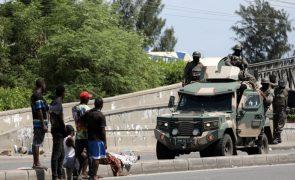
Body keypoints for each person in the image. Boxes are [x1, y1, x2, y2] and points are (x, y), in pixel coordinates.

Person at [82, 97, 107, 180]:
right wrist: (105, 142)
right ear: (102, 105)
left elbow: (82, 120)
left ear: (94, 104)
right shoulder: (101, 115)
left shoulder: (88, 113)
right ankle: (94, 175)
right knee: (97, 158)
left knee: (91, 157)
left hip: (89, 138)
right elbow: (102, 130)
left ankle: (91, 174)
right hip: (98, 139)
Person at [72, 91, 92, 179]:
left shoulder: (74, 108)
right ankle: (91, 173)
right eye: (88, 98)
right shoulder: (88, 109)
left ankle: (76, 174)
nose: (89, 99)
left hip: (79, 135)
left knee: (77, 155)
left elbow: (76, 120)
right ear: (86, 99)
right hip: (87, 135)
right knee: (89, 154)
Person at [30, 79, 49, 169]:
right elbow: (39, 110)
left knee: (36, 142)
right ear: (42, 85)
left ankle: (36, 163)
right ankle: (37, 163)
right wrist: (43, 125)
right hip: (39, 123)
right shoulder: (38, 96)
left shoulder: (36, 95)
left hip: (38, 123)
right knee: (36, 143)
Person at [49, 85, 66, 180]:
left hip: (56, 130)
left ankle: (60, 175)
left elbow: (51, 114)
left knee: (62, 154)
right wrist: (63, 127)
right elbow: (60, 116)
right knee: (56, 154)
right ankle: (55, 176)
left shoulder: (54, 102)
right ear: (63, 92)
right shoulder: (58, 103)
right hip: (58, 131)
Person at [273, 79, 288, 144]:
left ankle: (277, 138)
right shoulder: (276, 90)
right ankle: (278, 138)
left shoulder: (287, 90)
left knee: (280, 123)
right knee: (276, 123)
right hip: (276, 109)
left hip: (282, 109)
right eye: (280, 83)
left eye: (282, 83)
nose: (281, 84)